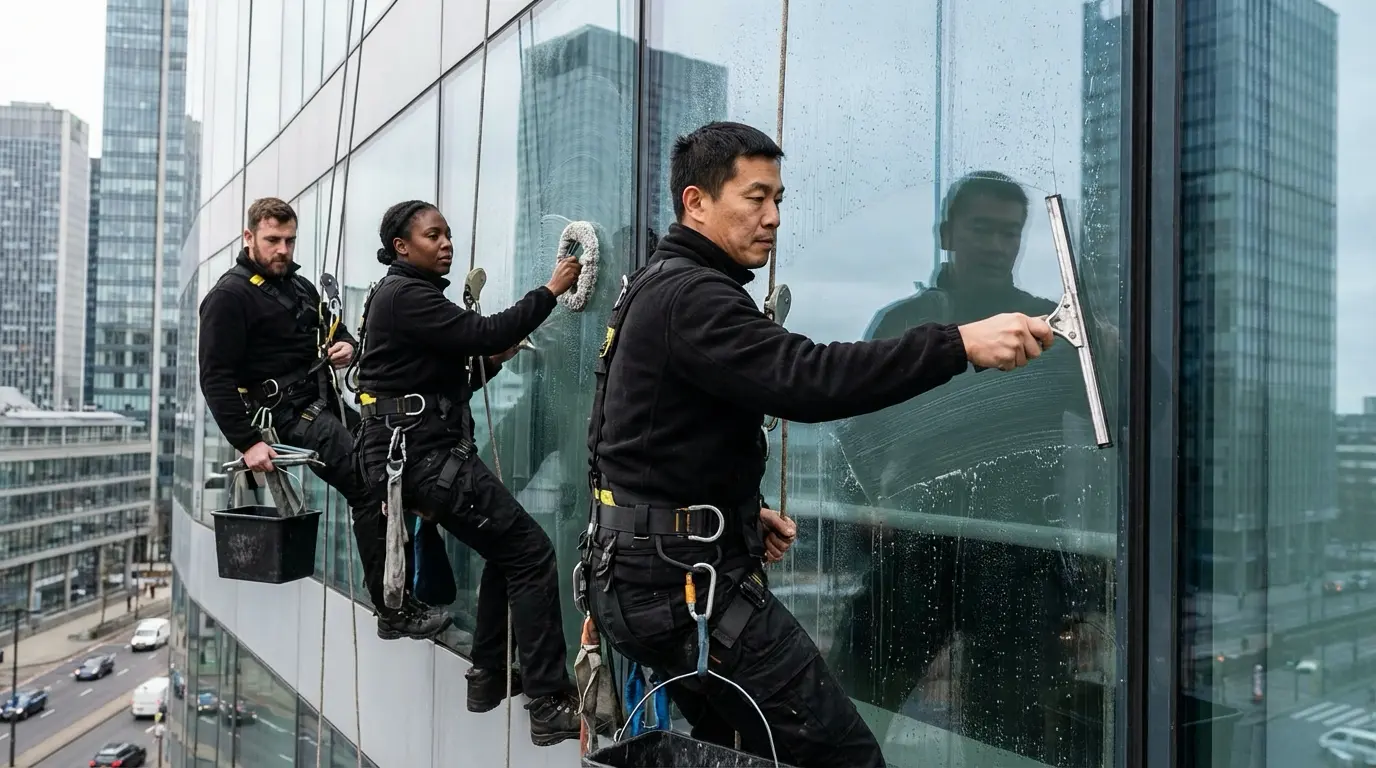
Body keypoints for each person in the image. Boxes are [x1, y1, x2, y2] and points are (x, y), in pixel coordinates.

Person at [581, 121, 1056, 768]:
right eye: (756, 197)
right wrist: (959, 344)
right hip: (680, 589)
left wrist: (730, 517)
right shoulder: (694, 298)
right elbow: (808, 380)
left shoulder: (655, 286)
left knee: (741, 749)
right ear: (696, 202)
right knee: (845, 755)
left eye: (779, 198)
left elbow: (630, 437)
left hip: (644, 576)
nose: (774, 217)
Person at [351, 200, 583, 746]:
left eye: (448, 234)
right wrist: (551, 290)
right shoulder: (407, 295)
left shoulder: (407, 298)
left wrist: (494, 358)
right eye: (434, 236)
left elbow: (445, 385)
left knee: (511, 550)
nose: (446, 243)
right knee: (531, 552)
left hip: (417, 455)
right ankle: (547, 703)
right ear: (403, 248)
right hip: (425, 458)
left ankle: (489, 672)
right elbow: (484, 331)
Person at [198, 197, 450, 642]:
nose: (282, 250)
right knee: (371, 488)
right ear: (249, 237)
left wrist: (347, 346)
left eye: (289, 241)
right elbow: (215, 378)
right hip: (284, 420)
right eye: (273, 240)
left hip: (322, 406)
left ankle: (417, 588)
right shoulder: (228, 297)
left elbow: (336, 332)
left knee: (401, 475)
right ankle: (393, 610)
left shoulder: (300, 288)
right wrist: (247, 442)